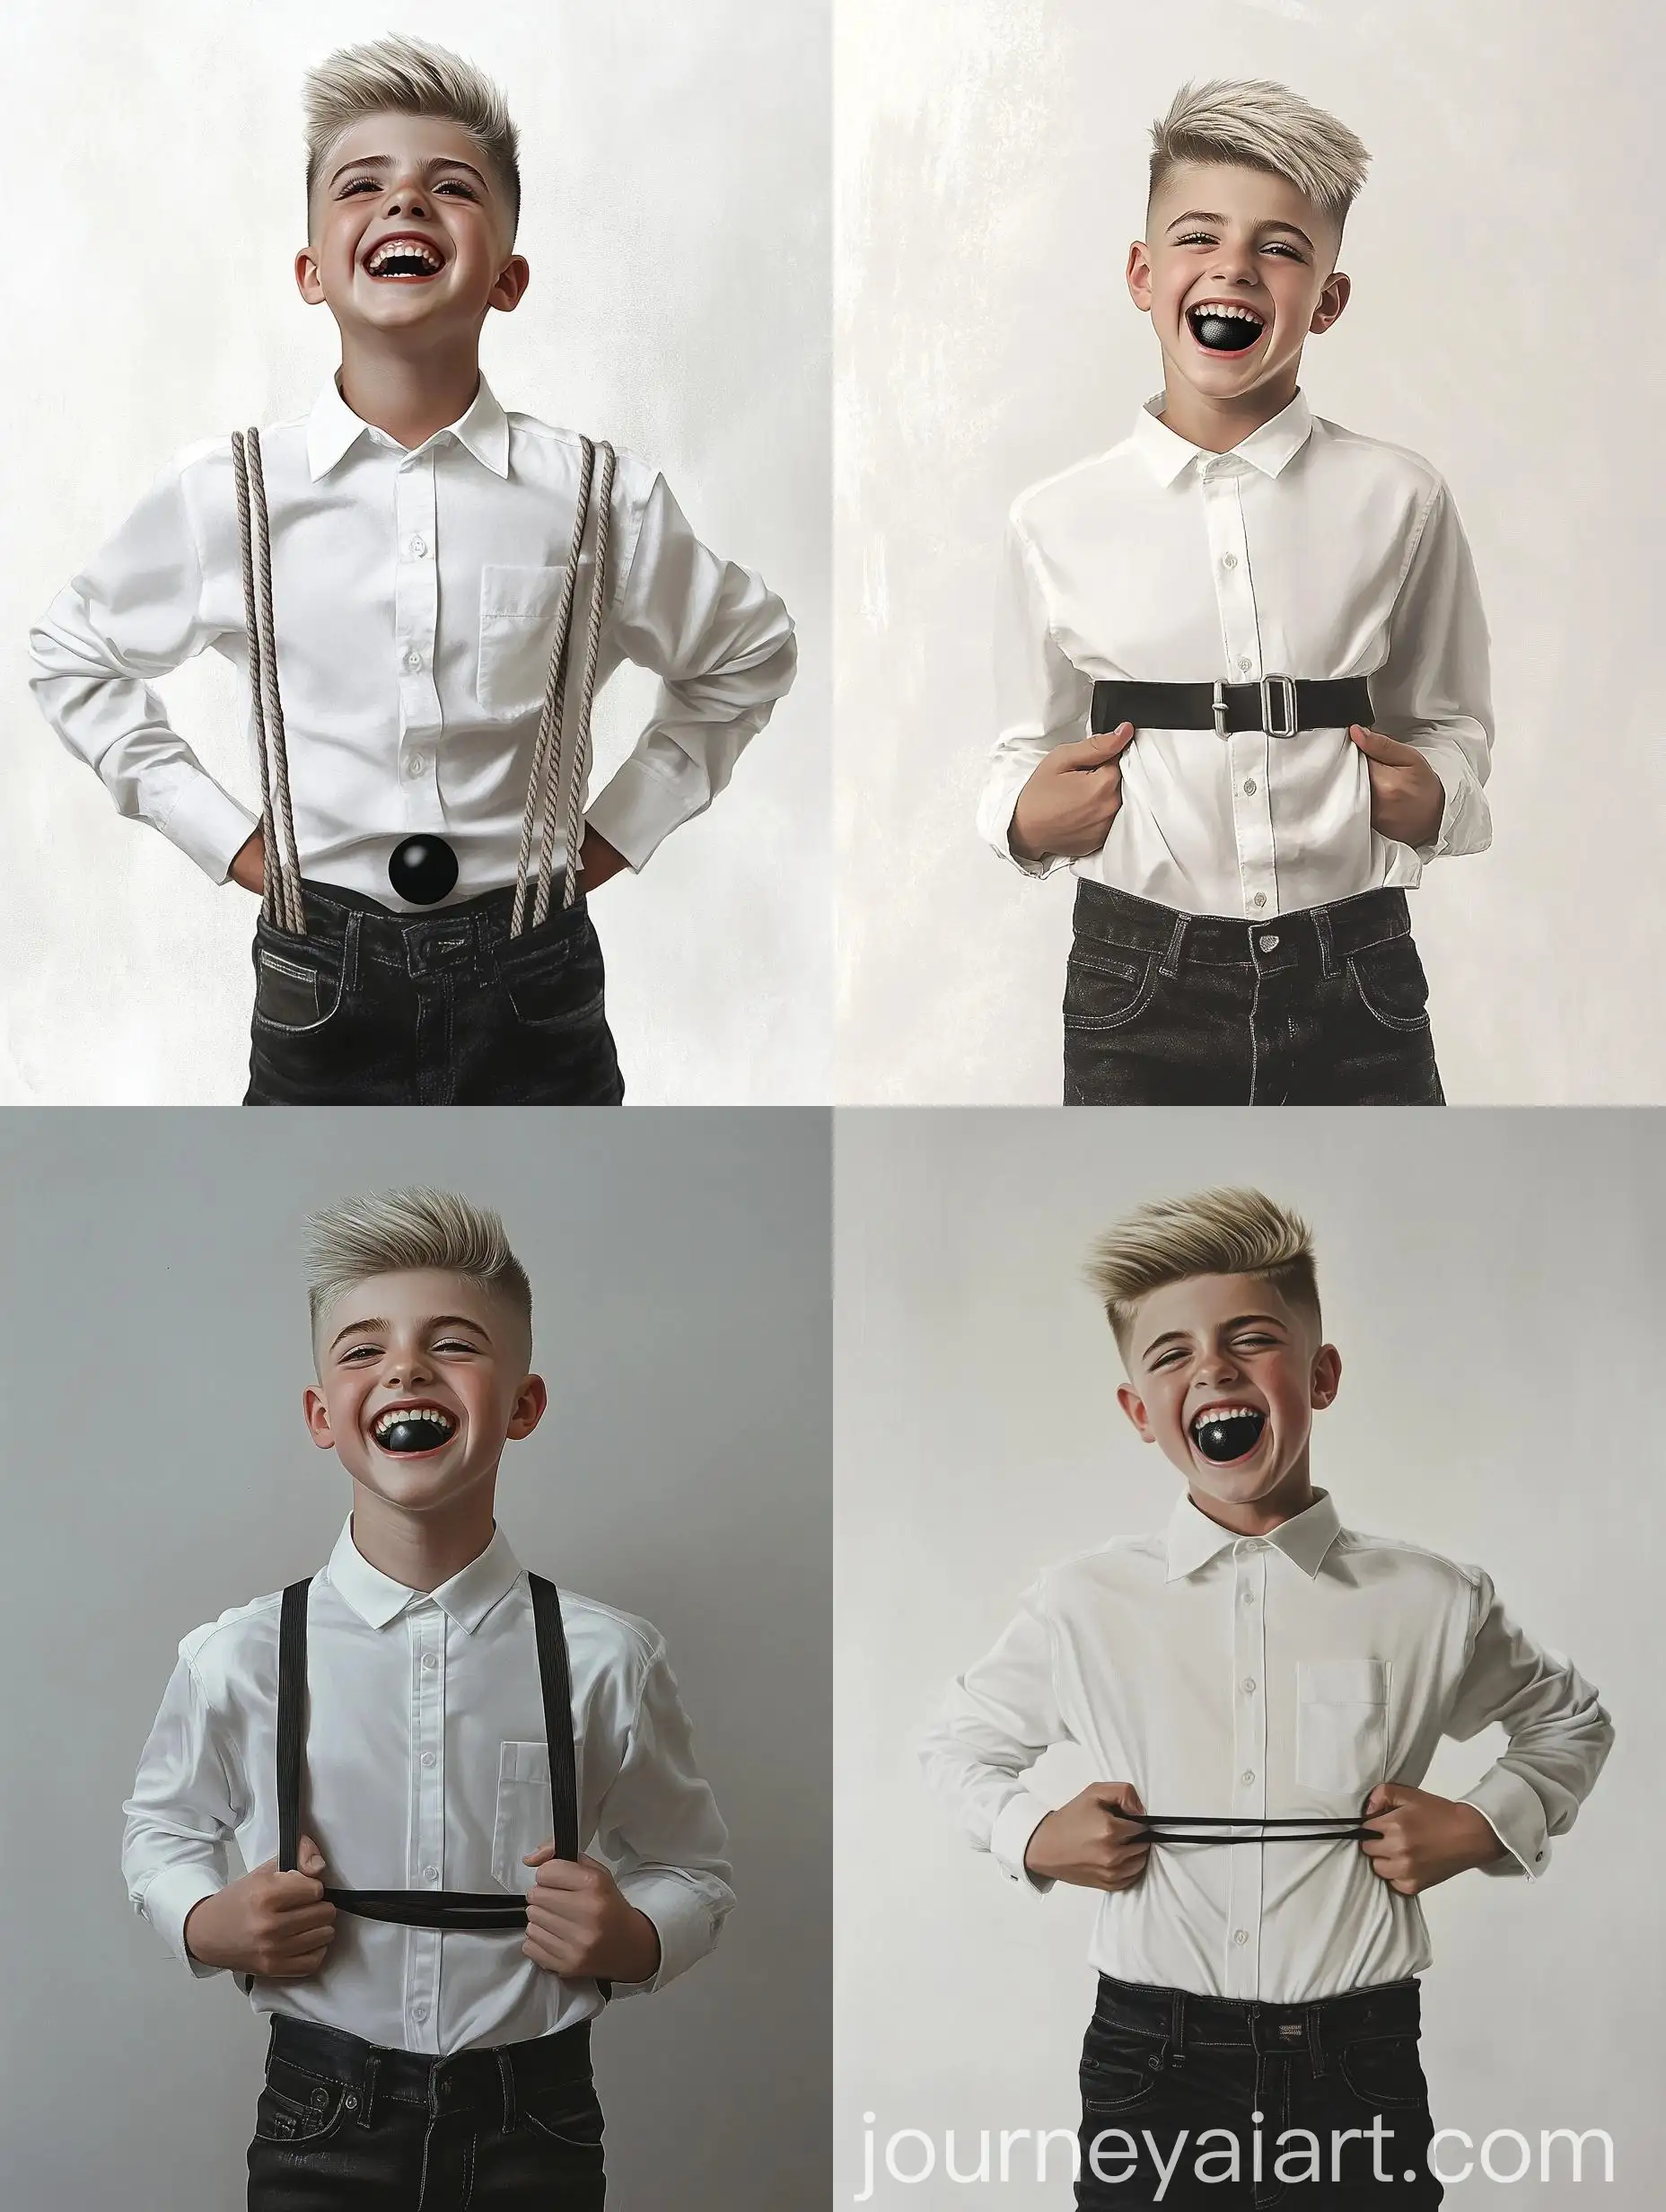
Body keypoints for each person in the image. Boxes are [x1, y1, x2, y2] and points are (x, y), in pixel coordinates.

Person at [30, 36, 796, 1105]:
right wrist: (235, 843)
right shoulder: (231, 494)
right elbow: (73, 652)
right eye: (362, 187)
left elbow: (746, 653)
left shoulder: (591, 495)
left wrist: (613, 835)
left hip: (534, 978)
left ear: (510, 277)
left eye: (450, 188)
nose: (406, 206)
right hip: (317, 976)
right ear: (310, 271)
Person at [920, 1188, 1611, 2208]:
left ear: (1320, 1374)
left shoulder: (1432, 1598)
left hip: (1359, 2058)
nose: (1211, 1368)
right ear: (1135, 1411)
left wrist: (1479, 1825)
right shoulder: (1081, 1602)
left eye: (1251, 1339)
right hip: (1150, 2063)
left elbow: (1570, 1719)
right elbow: (955, 1744)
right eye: (1170, 1355)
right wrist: (1029, 1832)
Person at [122, 1189, 732, 2208]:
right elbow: (160, 1827)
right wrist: (206, 1921)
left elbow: (692, 1866)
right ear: (323, 1414)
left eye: (452, 1344)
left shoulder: (605, 1657)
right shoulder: (238, 1655)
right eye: (362, 1351)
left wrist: (634, 1938)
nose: (404, 1368)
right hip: (320, 2114)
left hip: (535, 2119)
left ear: (524, 1404)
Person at [982, 81, 1492, 1105]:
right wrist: (1021, 819)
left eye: (1279, 247)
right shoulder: (1053, 518)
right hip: (1135, 980)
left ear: (1327, 300)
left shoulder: (1400, 497)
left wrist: (1434, 796)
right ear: (1141, 272)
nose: (1231, 268)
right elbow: (1021, 747)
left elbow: (1449, 720)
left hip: (1359, 973)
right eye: (1197, 237)